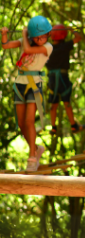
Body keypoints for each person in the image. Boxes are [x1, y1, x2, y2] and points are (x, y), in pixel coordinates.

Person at [1, 16, 53, 171]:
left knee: (30, 121)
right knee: (22, 124)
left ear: (48, 36)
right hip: (20, 83)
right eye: (37, 36)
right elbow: (6, 46)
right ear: (32, 36)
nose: (41, 39)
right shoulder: (26, 41)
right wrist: (4, 34)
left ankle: (32, 157)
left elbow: (29, 50)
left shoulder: (48, 47)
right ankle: (36, 149)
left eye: (44, 36)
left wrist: (25, 35)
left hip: (34, 84)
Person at [47, 24, 85, 135]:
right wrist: (72, 30)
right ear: (63, 36)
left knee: (53, 104)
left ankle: (53, 127)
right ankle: (73, 126)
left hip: (52, 80)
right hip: (62, 77)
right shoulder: (65, 46)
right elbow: (78, 38)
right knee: (66, 102)